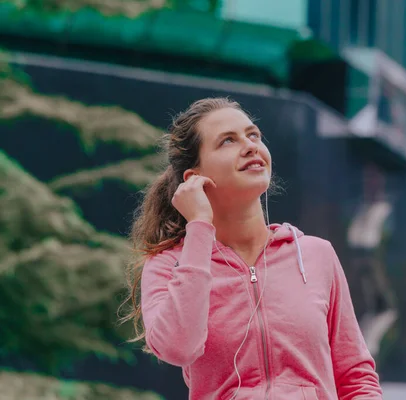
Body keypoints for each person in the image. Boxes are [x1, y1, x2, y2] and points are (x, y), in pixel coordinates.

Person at [121, 97, 383, 400]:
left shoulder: (315, 255)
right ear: (194, 179)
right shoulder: (169, 265)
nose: (249, 146)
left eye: (253, 135)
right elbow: (178, 348)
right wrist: (199, 228)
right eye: (227, 141)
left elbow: (355, 377)